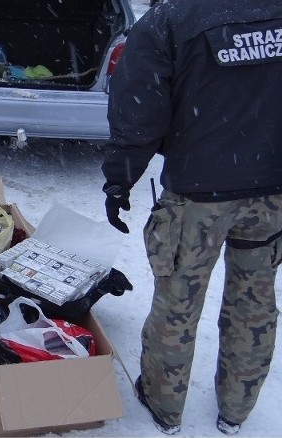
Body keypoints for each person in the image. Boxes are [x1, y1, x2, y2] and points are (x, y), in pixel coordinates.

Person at [101, 0, 282, 435]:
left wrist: (119, 180)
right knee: (255, 301)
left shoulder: (170, 19)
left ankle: (165, 406)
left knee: (177, 301)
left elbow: (139, 108)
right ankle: (236, 409)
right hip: (271, 192)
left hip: (198, 193)